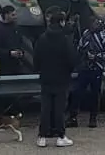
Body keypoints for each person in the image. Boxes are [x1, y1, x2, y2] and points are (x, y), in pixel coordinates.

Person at [32, 10, 76, 147]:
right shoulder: (65, 40)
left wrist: (41, 70)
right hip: (61, 79)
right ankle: (60, 136)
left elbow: (36, 59)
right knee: (59, 109)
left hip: (46, 78)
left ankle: (42, 137)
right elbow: (72, 60)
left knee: (45, 108)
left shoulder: (42, 38)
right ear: (62, 22)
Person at [68, 15, 105, 129]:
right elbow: (80, 46)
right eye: (91, 23)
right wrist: (83, 53)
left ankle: (93, 119)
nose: (92, 25)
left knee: (94, 95)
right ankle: (73, 118)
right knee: (77, 93)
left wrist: (96, 56)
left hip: (97, 69)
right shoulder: (86, 33)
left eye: (95, 23)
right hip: (84, 68)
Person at [0, 5, 29, 117]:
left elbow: (20, 42)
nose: (15, 17)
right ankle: (4, 113)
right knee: (6, 91)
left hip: (18, 63)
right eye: (13, 14)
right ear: (6, 15)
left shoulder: (16, 28)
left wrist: (21, 52)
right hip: (5, 64)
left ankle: (15, 111)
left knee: (18, 89)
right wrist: (9, 53)